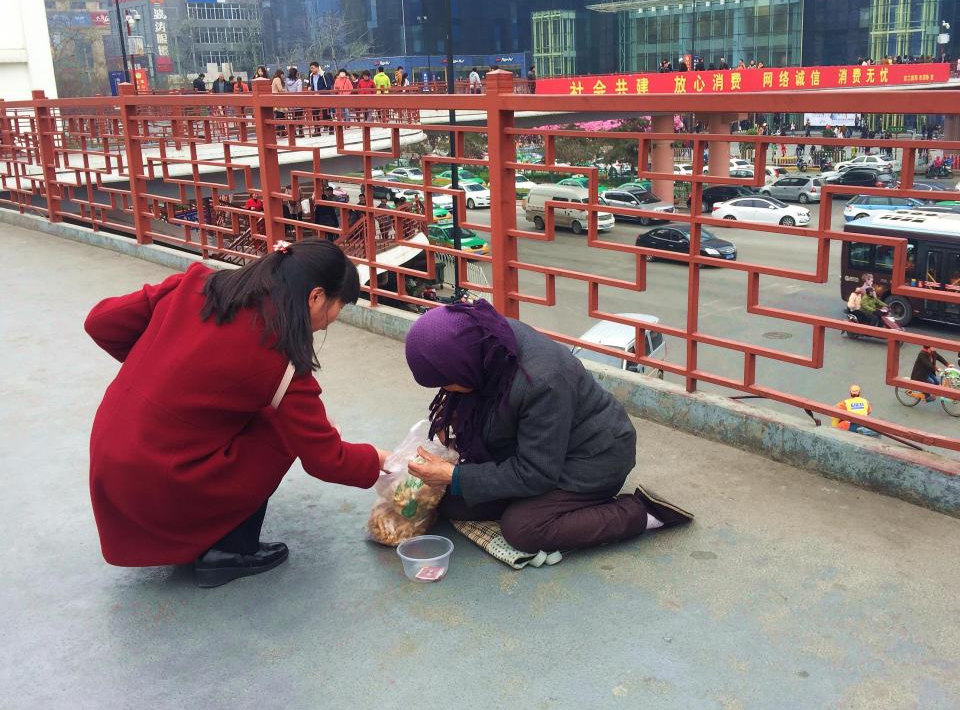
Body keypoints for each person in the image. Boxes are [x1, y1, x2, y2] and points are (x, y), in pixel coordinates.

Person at [84, 239, 389, 587]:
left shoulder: (198, 284)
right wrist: (379, 458)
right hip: (157, 480)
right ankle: (230, 550)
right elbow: (325, 459)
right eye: (338, 307)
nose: (330, 321)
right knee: (280, 428)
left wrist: (160, 368)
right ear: (316, 297)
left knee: (263, 413)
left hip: (110, 455)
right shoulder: (280, 356)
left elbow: (100, 321)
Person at [402, 301, 693, 555]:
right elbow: (481, 399)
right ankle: (535, 501)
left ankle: (641, 513)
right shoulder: (487, 342)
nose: (445, 390)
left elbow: (536, 473)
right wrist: (451, 414)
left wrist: (454, 474)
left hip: (595, 456)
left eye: (447, 382)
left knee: (522, 528)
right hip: (542, 445)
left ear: (463, 364)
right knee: (452, 501)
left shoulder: (541, 381)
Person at [271, 69, 287, 138]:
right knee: (280, 115)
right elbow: (280, 89)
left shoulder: (274, 79)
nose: (283, 76)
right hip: (278, 99)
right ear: (280, 74)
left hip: (275, 99)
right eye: (282, 74)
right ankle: (281, 131)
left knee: (279, 115)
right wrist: (286, 90)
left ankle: (280, 131)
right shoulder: (277, 79)